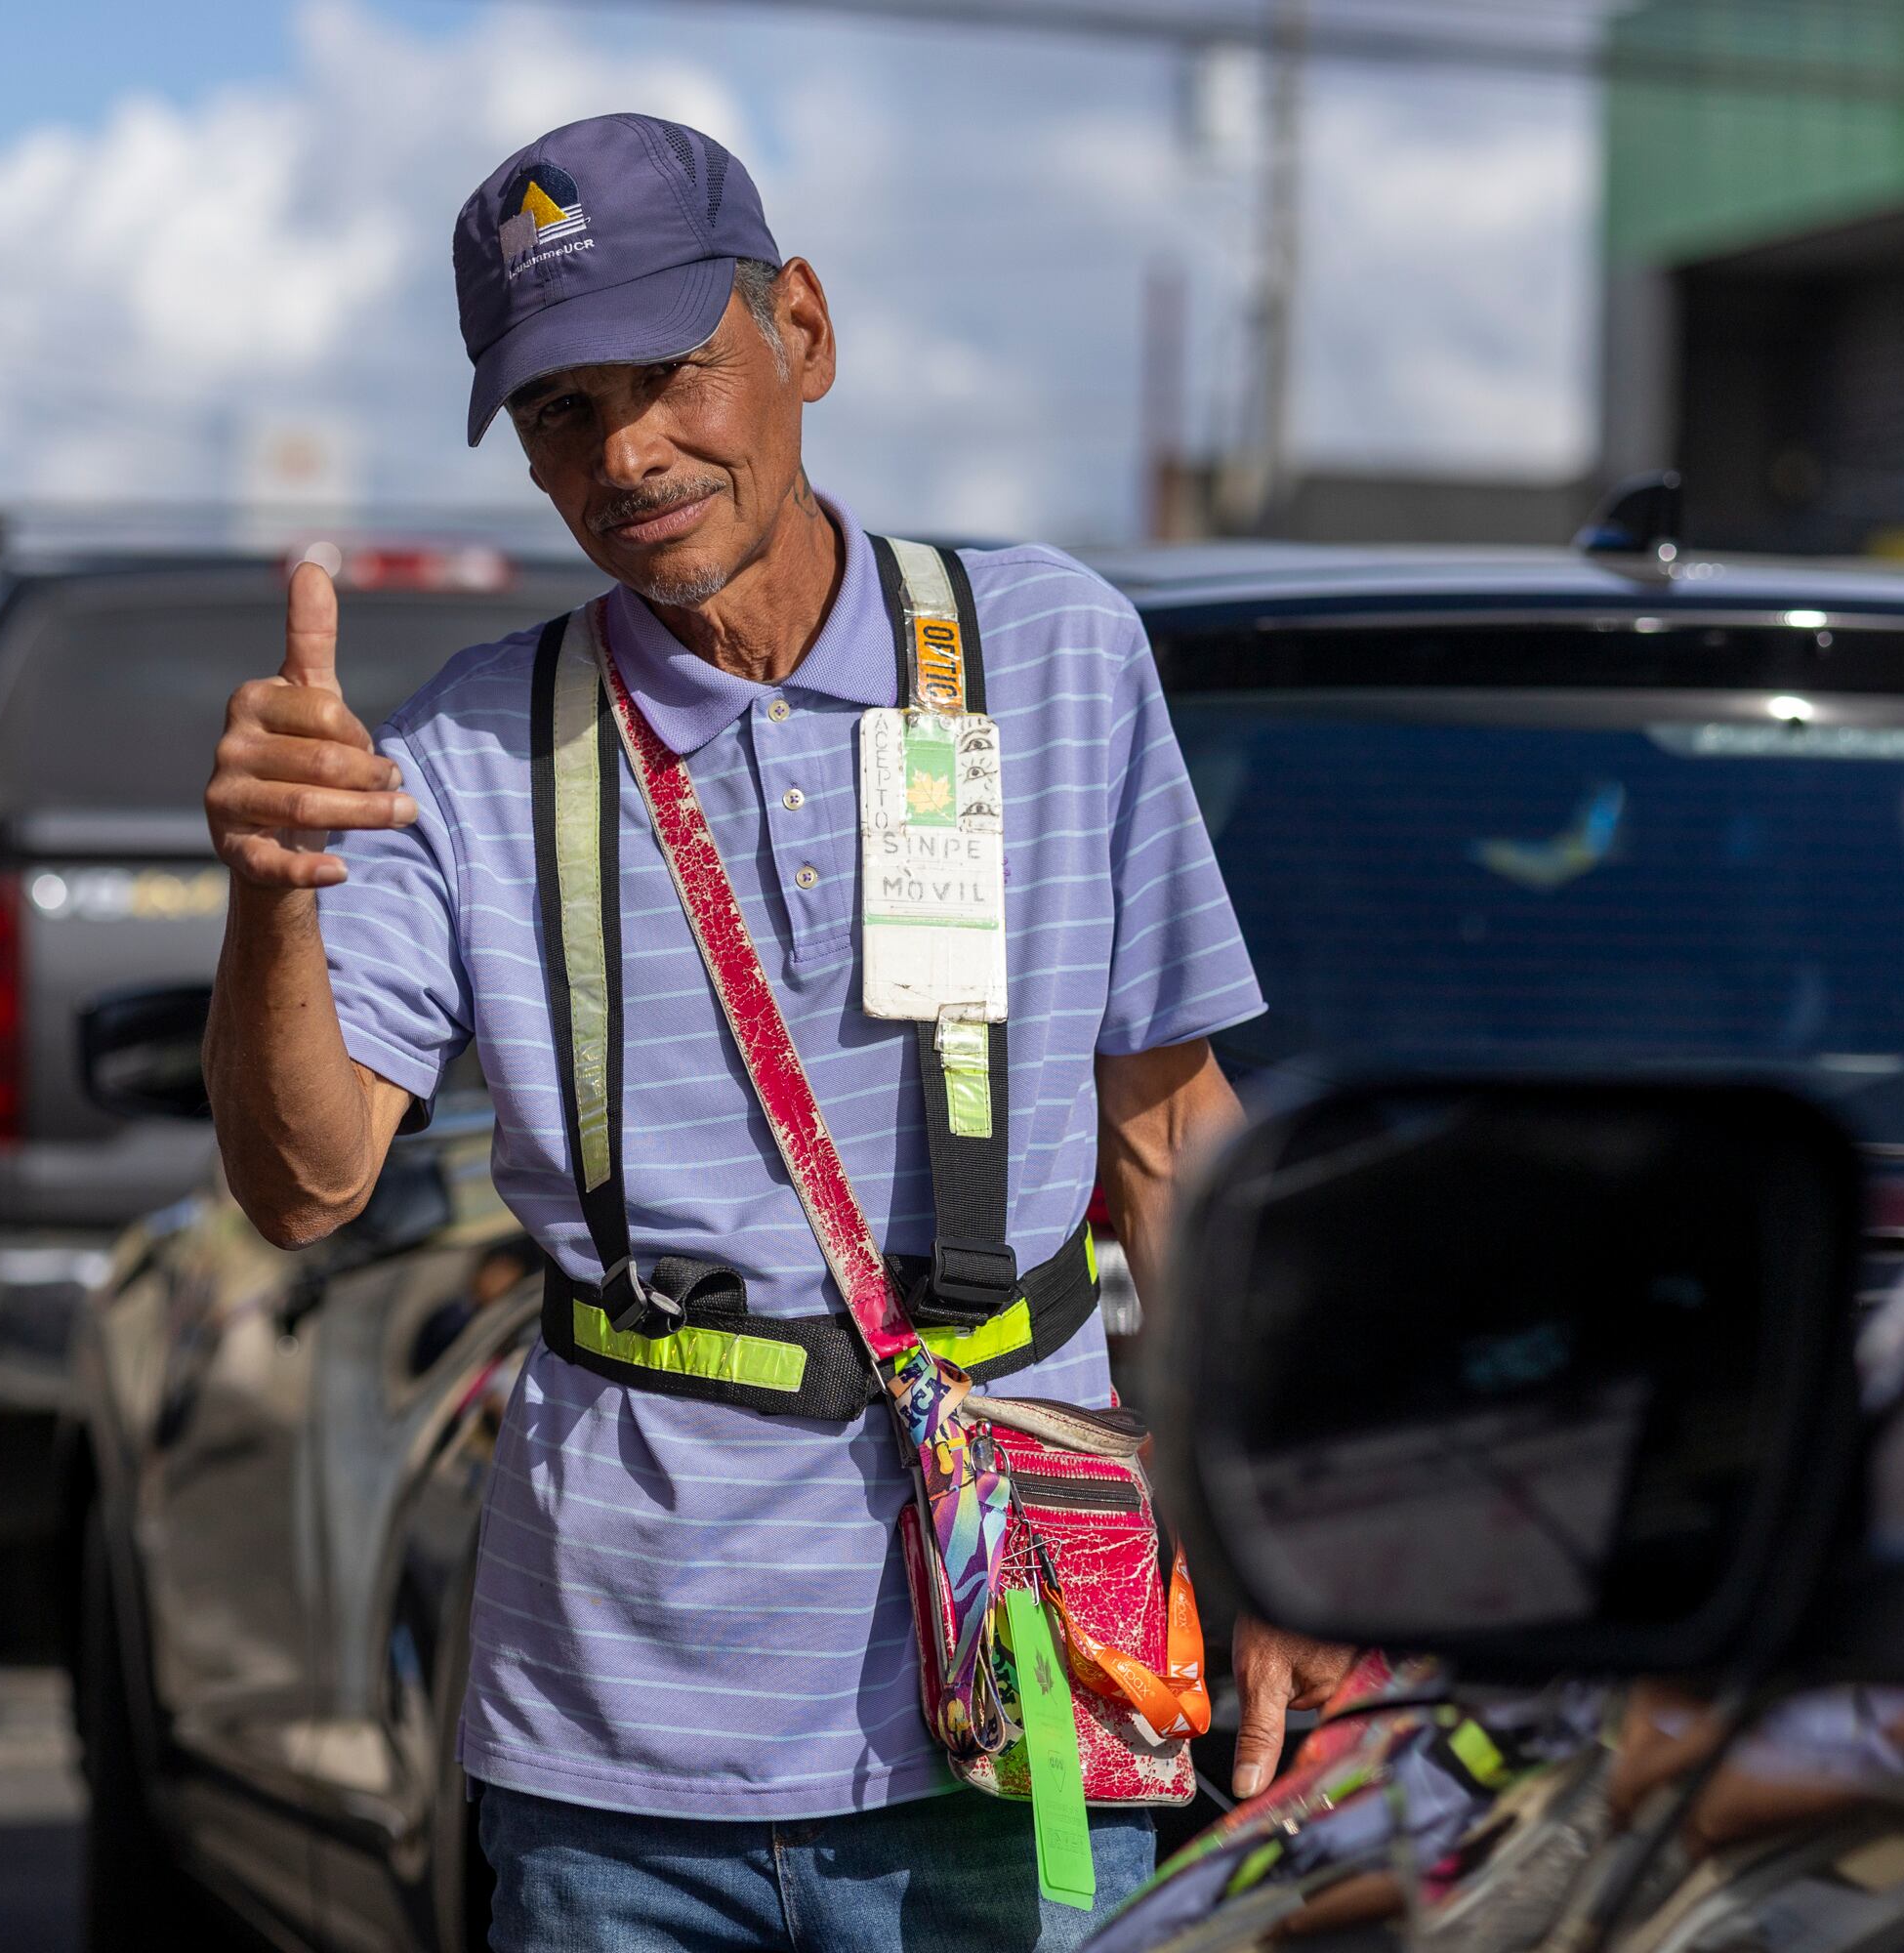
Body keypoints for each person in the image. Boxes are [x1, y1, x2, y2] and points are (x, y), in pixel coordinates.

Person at [203, 114, 1351, 1950]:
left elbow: (1165, 1137)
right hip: (612, 1760)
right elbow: (307, 1181)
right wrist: (275, 885)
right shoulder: (463, 755)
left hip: (1028, 1699)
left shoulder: (1049, 655)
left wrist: (1290, 1529)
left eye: (667, 375)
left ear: (800, 332)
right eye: (560, 413)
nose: (627, 454)